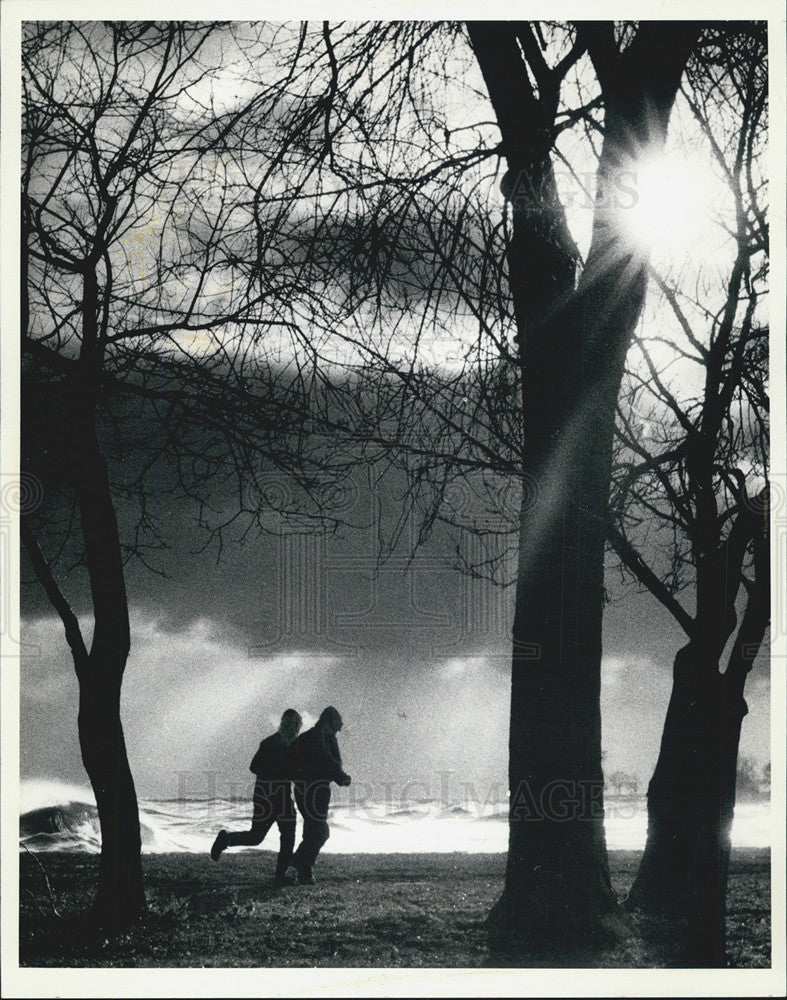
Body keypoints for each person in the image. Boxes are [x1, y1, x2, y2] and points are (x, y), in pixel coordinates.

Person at [210, 708, 302, 884]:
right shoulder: (276, 744)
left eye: (295, 725)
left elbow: (259, 768)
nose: (295, 728)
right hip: (272, 797)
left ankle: (227, 839)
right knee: (268, 837)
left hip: (272, 797)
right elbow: (255, 767)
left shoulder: (284, 744)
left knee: (268, 836)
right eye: (293, 725)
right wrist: (281, 771)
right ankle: (226, 839)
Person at [289, 706, 351, 885]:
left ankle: (302, 868)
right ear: (328, 724)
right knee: (320, 831)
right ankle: (300, 864)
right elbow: (327, 760)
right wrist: (341, 777)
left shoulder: (318, 736)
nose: (338, 732)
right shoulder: (317, 737)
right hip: (312, 790)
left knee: (314, 830)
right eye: (336, 727)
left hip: (314, 789)